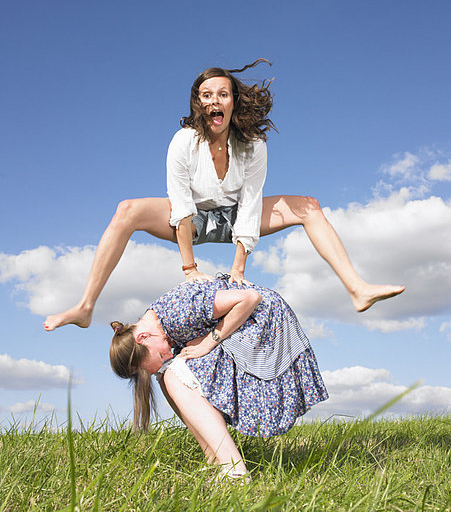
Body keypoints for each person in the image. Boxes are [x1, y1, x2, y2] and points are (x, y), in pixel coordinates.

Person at [44, 59, 404, 331]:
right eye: (206, 95)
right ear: (198, 103)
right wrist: (189, 269)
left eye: (222, 93)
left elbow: (250, 203)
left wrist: (238, 269)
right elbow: (181, 205)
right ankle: (86, 306)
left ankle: (357, 288)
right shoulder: (184, 141)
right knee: (126, 210)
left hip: (234, 218)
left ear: (232, 102)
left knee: (309, 207)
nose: (214, 100)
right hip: (192, 221)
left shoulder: (253, 145)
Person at [109, 276, 329, 481]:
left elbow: (251, 298)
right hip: (244, 323)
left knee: (174, 377)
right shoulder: (160, 327)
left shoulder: (178, 312)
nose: (166, 355)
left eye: (159, 355)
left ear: (143, 337)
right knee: (167, 375)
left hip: (265, 320)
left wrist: (209, 342)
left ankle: (234, 472)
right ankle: (216, 461)